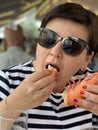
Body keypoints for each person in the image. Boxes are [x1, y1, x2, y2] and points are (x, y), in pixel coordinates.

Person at [0, 2, 98, 130]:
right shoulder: (7, 80)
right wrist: (13, 104)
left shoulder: (92, 88)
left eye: (71, 45)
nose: (55, 52)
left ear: (87, 59)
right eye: (48, 38)